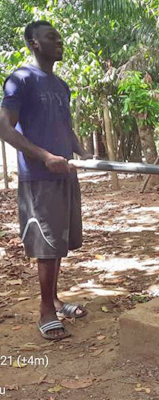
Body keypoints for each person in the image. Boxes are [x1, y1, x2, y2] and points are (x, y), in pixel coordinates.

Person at [0, 21, 91, 340]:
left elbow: (65, 126)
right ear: (34, 43)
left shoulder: (61, 85)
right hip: (39, 176)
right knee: (46, 243)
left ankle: (55, 299)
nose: (60, 40)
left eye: (59, 35)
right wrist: (45, 157)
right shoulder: (20, 79)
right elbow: (5, 128)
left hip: (64, 174)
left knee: (60, 242)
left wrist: (79, 150)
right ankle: (45, 312)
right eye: (52, 37)